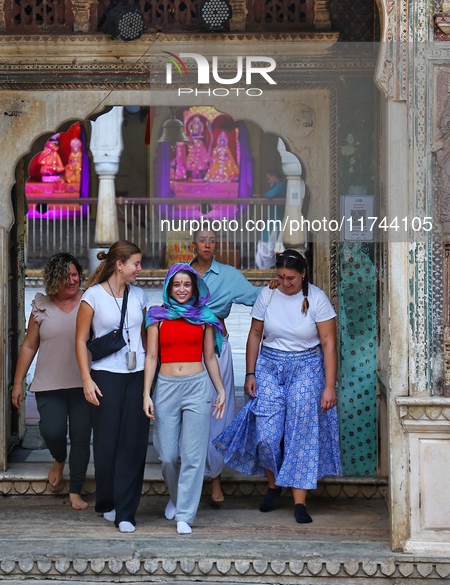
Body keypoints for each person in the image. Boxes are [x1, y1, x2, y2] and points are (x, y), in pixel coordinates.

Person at [214, 249, 341, 524]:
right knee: (267, 434)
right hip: (270, 366)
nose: (286, 282)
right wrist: (250, 373)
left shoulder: (317, 299)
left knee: (301, 431)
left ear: (303, 274)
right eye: (281, 276)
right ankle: (273, 485)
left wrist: (329, 385)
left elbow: (329, 342)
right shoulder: (268, 294)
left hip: (307, 366)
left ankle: (299, 502)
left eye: (291, 277)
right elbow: (255, 334)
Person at [143, 264, 226, 534]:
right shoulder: (157, 317)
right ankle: (178, 499)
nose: (181, 289)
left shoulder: (204, 318)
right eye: (176, 284)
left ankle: (185, 515)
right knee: (167, 455)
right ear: (169, 287)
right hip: (166, 387)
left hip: (198, 387)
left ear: (194, 288)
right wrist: (146, 393)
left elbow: (210, 357)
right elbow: (152, 357)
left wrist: (221, 389)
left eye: (187, 285)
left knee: (193, 455)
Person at [75, 240, 150, 534]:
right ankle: (107, 500)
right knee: (107, 445)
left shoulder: (140, 295)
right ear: (120, 265)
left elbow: (146, 340)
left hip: (137, 374)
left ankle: (127, 511)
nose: (140, 269)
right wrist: (86, 380)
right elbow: (80, 341)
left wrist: (151, 382)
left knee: (133, 445)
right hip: (105, 375)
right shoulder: (92, 297)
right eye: (136, 264)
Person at [11, 252, 91, 510]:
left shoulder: (90, 301)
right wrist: (17, 383)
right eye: (66, 276)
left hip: (84, 384)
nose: (71, 280)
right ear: (54, 278)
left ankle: (76, 490)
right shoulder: (40, 305)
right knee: (52, 430)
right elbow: (28, 346)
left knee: (81, 437)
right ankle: (58, 458)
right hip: (49, 384)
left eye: (75, 274)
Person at [190, 227, 261, 505]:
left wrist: (275, 288)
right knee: (191, 410)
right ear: (193, 244)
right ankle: (191, 479)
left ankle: (216, 477)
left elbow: (257, 297)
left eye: (212, 241)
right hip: (186, 351)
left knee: (218, 412)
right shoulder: (182, 274)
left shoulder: (229, 276)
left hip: (217, 349)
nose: (207, 245)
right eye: (202, 240)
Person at [255, 169, 286, 270]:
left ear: (274, 177)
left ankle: (265, 267)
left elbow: (269, 195)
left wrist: (260, 197)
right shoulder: (279, 186)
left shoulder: (280, 186)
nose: (268, 181)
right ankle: (264, 266)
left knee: (268, 242)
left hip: (276, 219)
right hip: (273, 218)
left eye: (269, 179)